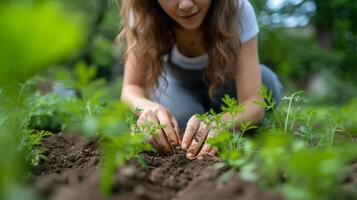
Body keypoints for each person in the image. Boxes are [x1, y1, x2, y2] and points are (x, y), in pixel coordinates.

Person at [118, 0, 283, 159]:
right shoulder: (143, 13)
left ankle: (216, 120)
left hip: (227, 84)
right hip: (178, 84)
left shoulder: (237, 9)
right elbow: (131, 88)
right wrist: (148, 108)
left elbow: (253, 101)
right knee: (178, 123)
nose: (185, 5)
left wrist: (220, 123)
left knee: (267, 84)